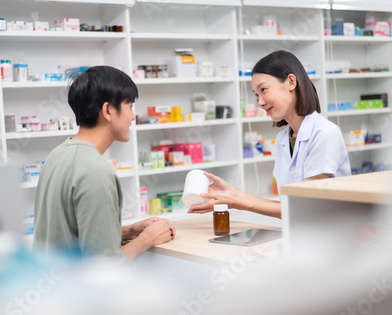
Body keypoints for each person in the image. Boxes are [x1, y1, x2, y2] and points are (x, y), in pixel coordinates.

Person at [33, 66, 175, 262]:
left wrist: (127, 232)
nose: (133, 116)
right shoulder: (95, 171)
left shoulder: (57, 155)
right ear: (108, 110)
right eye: (130, 106)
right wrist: (147, 239)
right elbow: (105, 268)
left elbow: (69, 233)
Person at [188, 50, 351, 219]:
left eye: (264, 90)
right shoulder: (282, 140)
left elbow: (304, 206)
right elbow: (288, 205)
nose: (260, 102)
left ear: (291, 82)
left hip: (332, 236)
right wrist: (232, 193)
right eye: (257, 95)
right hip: (301, 234)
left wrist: (237, 203)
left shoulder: (324, 133)